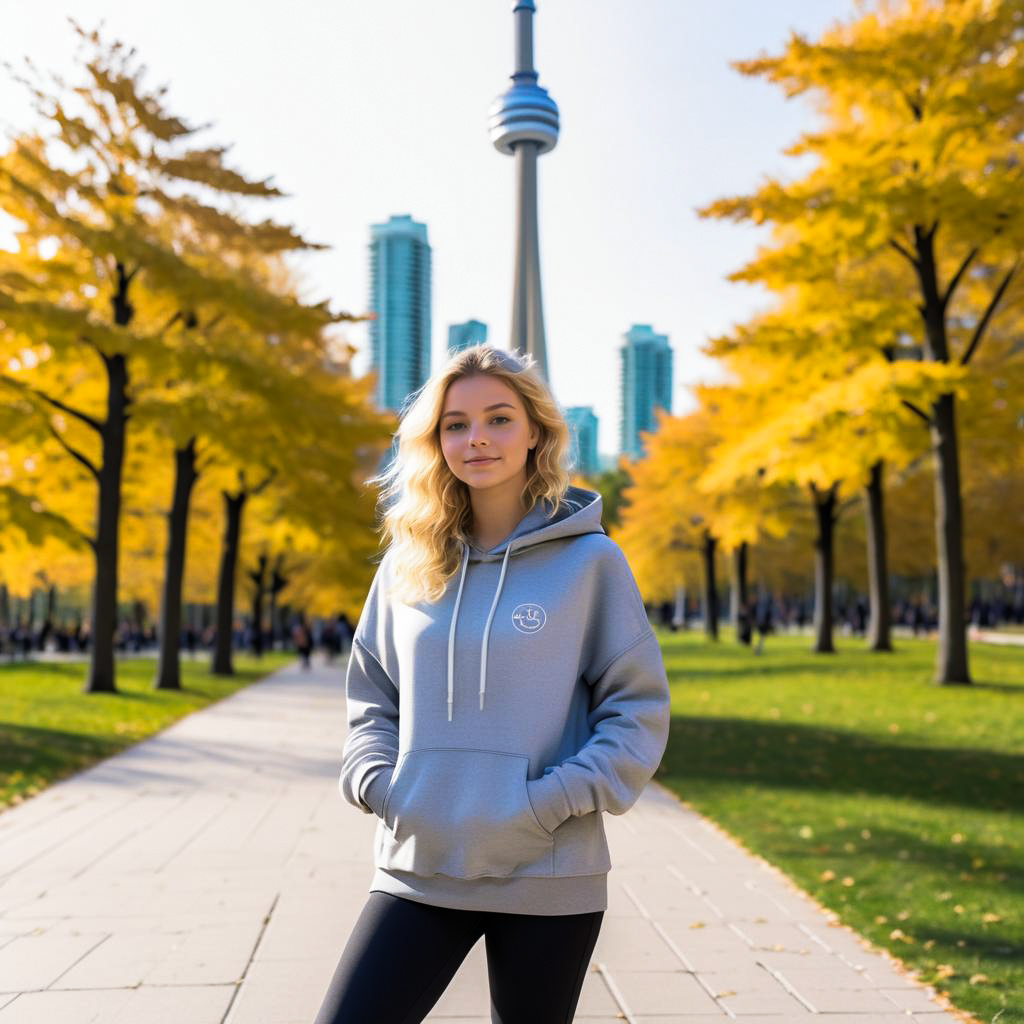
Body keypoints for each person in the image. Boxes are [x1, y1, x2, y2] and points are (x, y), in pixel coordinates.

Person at [316, 344, 672, 1024]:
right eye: (455, 423)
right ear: (435, 439)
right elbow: (372, 696)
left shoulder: (591, 562)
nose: (476, 437)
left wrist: (546, 803)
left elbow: (636, 710)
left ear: (535, 431)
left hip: (547, 871)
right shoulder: (407, 563)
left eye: (499, 418)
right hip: (419, 863)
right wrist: (379, 783)